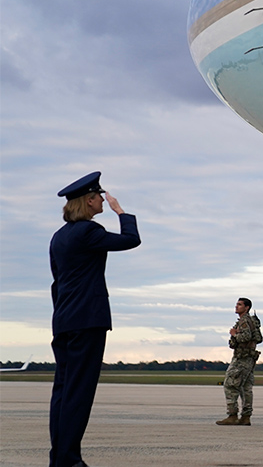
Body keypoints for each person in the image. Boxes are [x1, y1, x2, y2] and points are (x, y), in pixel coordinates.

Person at [49, 171, 141, 467]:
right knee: (80, 393)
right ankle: (70, 460)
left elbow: (57, 282)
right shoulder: (88, 231)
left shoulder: (59, 237)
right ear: (88, 201)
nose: (103, 199)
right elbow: (130, 240)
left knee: (63, 392)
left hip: (64, 319)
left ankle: (60, 457)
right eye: (99, 196)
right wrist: (120, 211)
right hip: (87, 320)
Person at [216, 297, 262, 426]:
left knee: (230, 384)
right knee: (246, 387)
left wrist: (234, 334)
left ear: (246, 307)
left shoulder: (244, 321)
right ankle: (246, 416)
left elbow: (246, 336)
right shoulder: (252, 321)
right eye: (236, 304)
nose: (237, 307)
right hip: (249, 358)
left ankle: (232, 415)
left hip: (242, 358)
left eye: (240, 305)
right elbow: (258, 338)